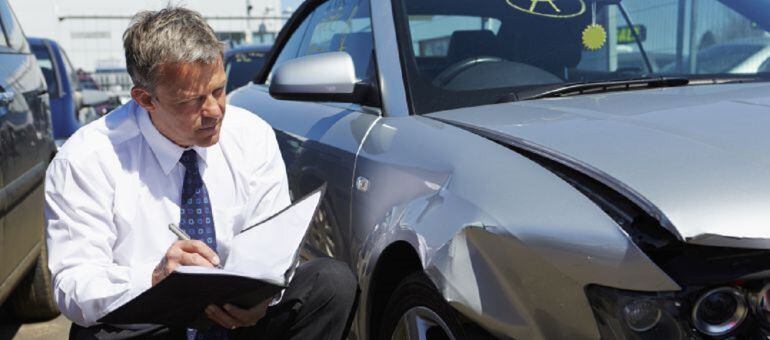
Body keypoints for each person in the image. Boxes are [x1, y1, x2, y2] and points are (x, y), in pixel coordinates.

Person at [44, 7, 357, 340]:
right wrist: (153, 279)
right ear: (145, 98)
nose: (214, 111)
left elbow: (273, 249)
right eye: (191, 101)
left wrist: (264, 299)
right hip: (151, 318)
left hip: (239, 319)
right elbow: (73, 284)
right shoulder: (87, 158)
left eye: (219, 90)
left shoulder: (251, 136)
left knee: (330, 283)